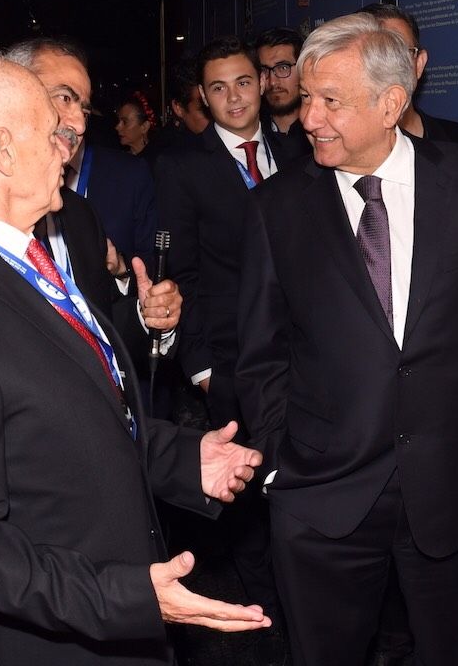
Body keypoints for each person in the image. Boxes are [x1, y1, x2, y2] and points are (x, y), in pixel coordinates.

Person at [0, 49, 270, 664]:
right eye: (50, 132)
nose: (69, 145)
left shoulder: (28, 258)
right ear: (3, 151)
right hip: (61, 641)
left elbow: (77, 418)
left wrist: (180, 456)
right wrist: (128, 596)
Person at [235, 13, 458, 666]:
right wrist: (279, 461)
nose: (309, 117)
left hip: (451, 486)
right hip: (321, 495)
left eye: (330, 101)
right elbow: (259, 354)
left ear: (391, 103)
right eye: (308, 97)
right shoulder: (276, 208)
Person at [154, 34, 303, 620]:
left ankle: (304, 587)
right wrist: (202, 369)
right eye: (218, 88)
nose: (233, 97)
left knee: (301, 474)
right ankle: (266, 602)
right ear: (203, 96)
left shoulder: (298, 152)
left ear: (263, 85)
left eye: (244, 82)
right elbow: (182, 272)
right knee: (246, 484)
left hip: (303, 352)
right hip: (232, 360)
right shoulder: (182, 167)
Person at [7, 38, 157, 264]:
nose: (80, 125)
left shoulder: (79, 216)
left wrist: (123, 276)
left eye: (84, 111)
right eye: (65, 98)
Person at [358, 3, 458, 153]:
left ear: (419, 65)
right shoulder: (334, 154)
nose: (384, 67)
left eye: (399, 53)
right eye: (370, 55)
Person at [253, 27, 310, 154]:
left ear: (303, 68)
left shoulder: (323, 131)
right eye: (264, 70)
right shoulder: (251, 135)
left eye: (283, 68)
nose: (272, 81)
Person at [116, 90, 157, 159]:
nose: (117, 127)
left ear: (144, 127)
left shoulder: (158, 161)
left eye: (125, 122)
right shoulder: (120, 159)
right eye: (118, 121)